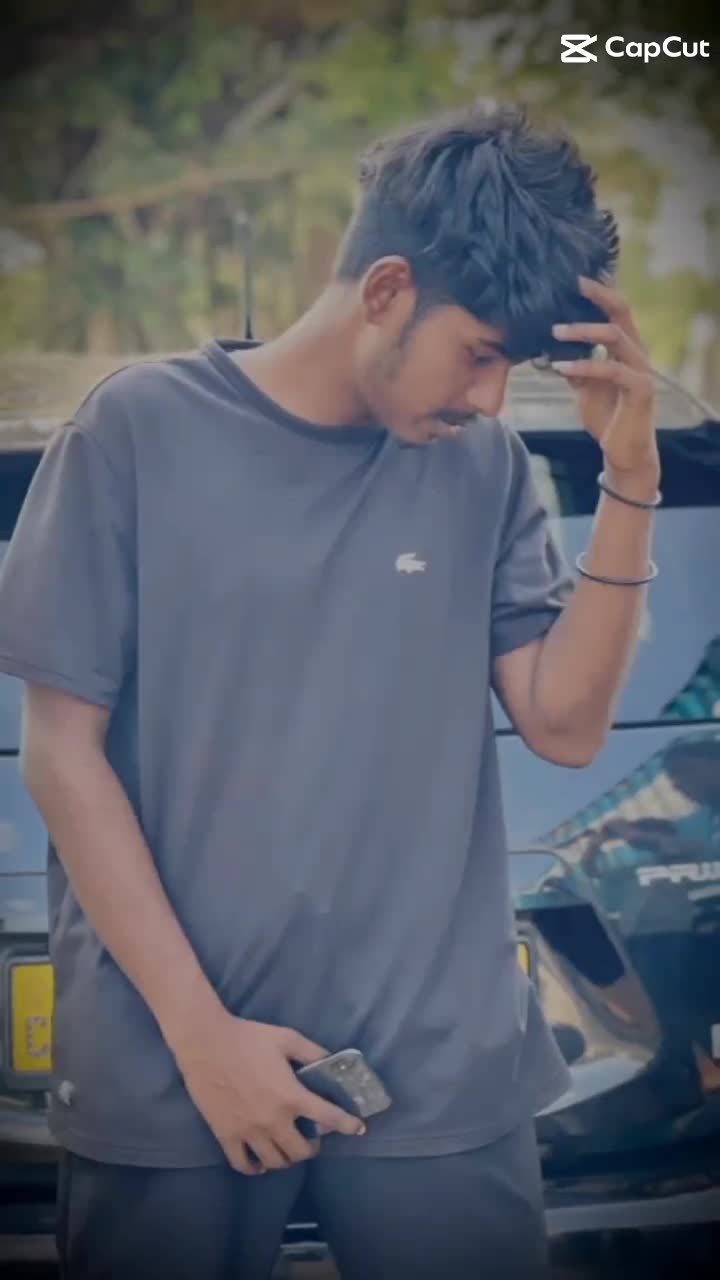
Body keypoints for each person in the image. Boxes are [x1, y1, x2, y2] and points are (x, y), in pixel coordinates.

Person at [0, 103, 661, 1278]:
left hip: (440, 1074)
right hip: (174, 1071)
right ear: (387, 289)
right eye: (481, 353)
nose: (492, 399)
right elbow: (62, 754)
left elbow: (565, 725)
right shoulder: (137, 430)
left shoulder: (484, 466)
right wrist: (203, 1037)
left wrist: (630, 479)